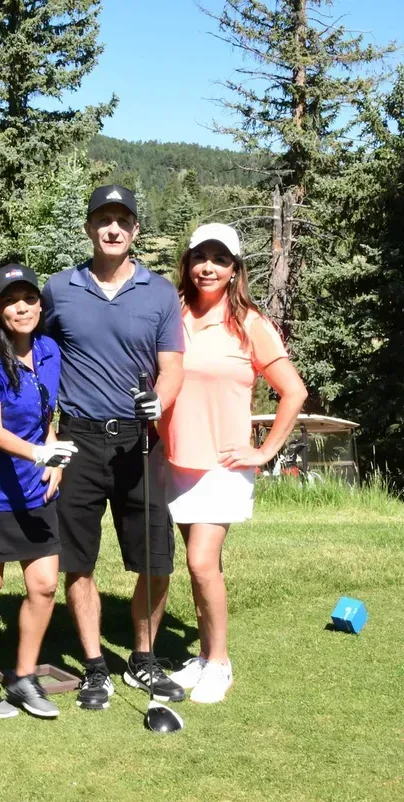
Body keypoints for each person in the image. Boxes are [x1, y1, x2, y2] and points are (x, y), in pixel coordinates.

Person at [42, 185, 186, 711]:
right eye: (103, 219)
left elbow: (172, 367)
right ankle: (95, 666)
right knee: (78, 559)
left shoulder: (160, 292)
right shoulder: (59, 289)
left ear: (135, 231)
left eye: (122, 220)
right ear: (89, 228)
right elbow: (36, 355)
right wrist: (45, 428)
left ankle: (143, 657)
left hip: (138, 440)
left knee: (155, 557)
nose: (113, 229)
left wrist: (159, 400)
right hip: (78, 438)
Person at [160, 223, 308, 704]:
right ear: (188, 262)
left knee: (202, 563)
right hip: (174, 460)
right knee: (201, 566)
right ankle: (203, 656)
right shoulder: (172, 316)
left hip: (223, 463)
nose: (208, 267)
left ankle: (220, 663)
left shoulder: (250, 323)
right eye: (201, 256)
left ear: (234, 270)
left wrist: (265, 451)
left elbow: (294, 391)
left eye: (220, 259)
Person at [0, 264, 77, 720]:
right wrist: (40, 455)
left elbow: (49, 415)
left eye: (28, 298)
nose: (21, 307)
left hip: (37, 490)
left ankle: (24, 678)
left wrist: (54, 461)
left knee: (44, 586)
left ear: (40, 305)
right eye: (10, 300)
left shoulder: (48, 350)